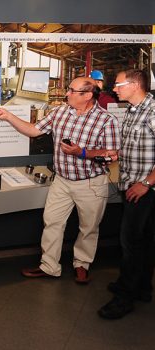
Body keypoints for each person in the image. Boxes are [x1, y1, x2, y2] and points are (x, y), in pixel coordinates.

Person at [0, 77, 120, 283]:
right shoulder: (59, 112)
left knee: (89, 227)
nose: (66, 94)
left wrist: (82, 152)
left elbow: (112, 155)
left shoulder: (106, 120)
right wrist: (8, 116)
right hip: (62, 181)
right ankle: (49, 266)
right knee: (52, 223)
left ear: (87, 95)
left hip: (91, 183)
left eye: (71, 91)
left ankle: (82, 264)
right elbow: (33, 130)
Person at [98, 69, 155, 319]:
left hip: (144, 189)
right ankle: (141, 287)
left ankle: (124, 297)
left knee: (130, 242)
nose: (114, 89)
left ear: (134, 85)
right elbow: (134, 146)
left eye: (118, 85)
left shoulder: (153, 111)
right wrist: (115, 155)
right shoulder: (132, 111)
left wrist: (146, 183)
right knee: (144, 240)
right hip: (132, 185)